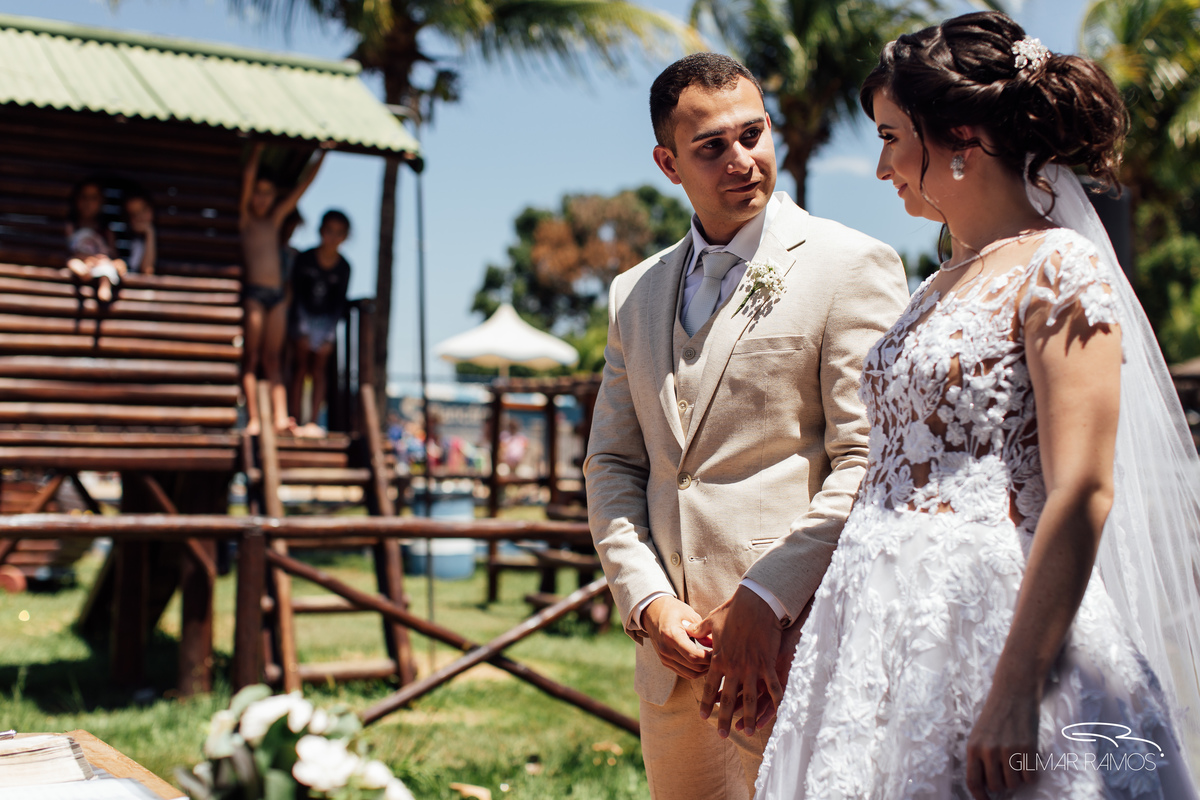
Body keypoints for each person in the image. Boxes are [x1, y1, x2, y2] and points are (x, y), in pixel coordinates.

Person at [756, 12, 1200, 799]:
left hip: (994, 627)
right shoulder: (934, 286)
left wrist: (1019, 686)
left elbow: (1083, 489)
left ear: (960, 136)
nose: (882, 166)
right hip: (874, 630)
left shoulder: (1059, 267)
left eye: (892, 137)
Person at [583, 53, 909, 799]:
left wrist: (766, 599)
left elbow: (870, 459)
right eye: (711, 147)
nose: (742, 160)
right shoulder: (633, 293)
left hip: (797, 651)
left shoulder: (851, 264)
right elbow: (613, 465)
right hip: (673, 671)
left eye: (752, 134)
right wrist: (648, 602)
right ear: (668, 163)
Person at [239, 143, 324, 436]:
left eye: (268, 193)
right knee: (251, 358)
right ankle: (253, 418)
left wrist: (323, 156)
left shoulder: (274, 221)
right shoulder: (246, 220)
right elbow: (247, 180)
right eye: (258, 192)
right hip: (254, 294)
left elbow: (303, 188)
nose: (262, 198)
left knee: (273, 359)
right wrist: (256, 150)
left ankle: (280, 417)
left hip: (276, 297)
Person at [288, 209, 351, 437]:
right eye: (329, 231)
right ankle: (294, 419)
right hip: (302, 320)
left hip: (326, 324)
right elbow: (296, 296)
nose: (333, 237)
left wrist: (328, 335)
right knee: (300, 367)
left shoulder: (344, 267)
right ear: (321, 231)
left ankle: (313, 421)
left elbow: (338, 304)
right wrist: (301, 329)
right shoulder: (305, 258)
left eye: (338, 233)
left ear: (345, 236)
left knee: (318, 370)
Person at [66, 179, 126, 303]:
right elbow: (70, 252)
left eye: (93, 198)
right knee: (74, 263)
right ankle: (84, 275)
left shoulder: (106, 231)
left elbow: (113, 255)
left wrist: (114, 262)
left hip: (101, 263)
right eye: (84, 197)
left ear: (101, 201)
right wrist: (87, 259)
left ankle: (105, 287)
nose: (88, 203)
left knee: (107, 267)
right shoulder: (72, 227)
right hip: (82, 261)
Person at [122, 188, 156, 275]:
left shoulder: (165, 235)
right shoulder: (127, 241)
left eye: (143, 210)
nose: (140, 218)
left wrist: (150, 233)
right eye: (134, 214)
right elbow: (146, 271)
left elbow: (148, 270)